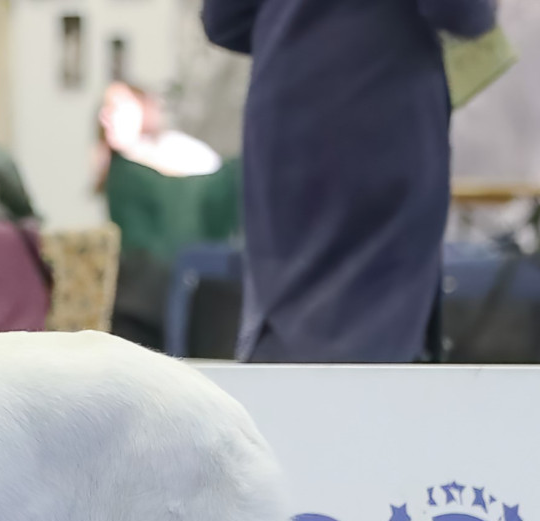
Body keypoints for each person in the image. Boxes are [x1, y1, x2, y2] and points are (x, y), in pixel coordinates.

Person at [202, 0, 497, 362]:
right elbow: (462, 12)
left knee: (287, 311)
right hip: (381, 108)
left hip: (283, 108)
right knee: (374, 333)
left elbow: (224, 19)